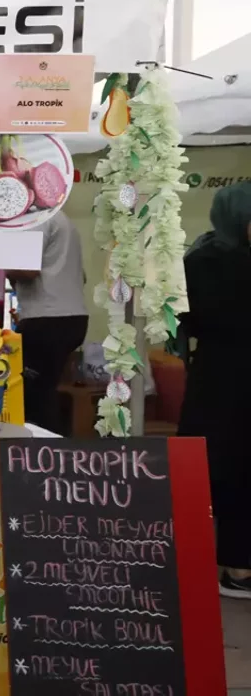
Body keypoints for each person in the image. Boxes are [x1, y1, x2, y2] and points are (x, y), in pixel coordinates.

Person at [178, 182, 251, 599]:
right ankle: (234, 568)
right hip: (226, 384)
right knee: (226, 470)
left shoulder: (206, 255)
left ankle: (233, 563)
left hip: (224, 380)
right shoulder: (211, 261)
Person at [6, 211, 88, 433]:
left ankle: (44, 448)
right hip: (72, 316)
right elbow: (82, 277)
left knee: (33, 396)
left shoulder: (36, 219)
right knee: (46, 389)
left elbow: (28, 269)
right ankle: (56, 443)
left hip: (46, 318)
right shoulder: (65, 221)